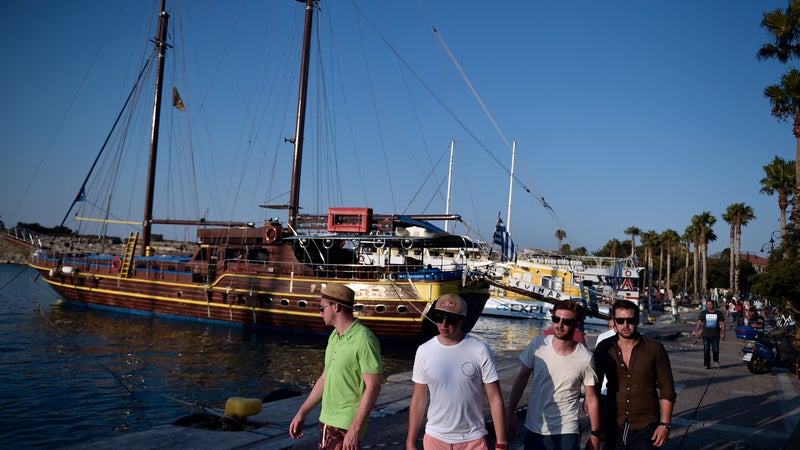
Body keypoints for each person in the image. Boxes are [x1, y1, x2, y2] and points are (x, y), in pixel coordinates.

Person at [406, 293, 507, 450]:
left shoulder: (480, 350)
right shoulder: (424, 351)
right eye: (439, 318)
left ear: (463, 321)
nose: (444, 324)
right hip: (435, 439)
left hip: (473, 440)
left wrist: (501, 442)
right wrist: (410, 441)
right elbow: (419, 398)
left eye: (451, 320)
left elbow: (495, 398)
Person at [289, 284, 383, 449]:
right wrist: (302, 412)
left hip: (345, 424)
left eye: (322, 308)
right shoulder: (334, 337)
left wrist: (354, 429)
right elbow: (325, 378)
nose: (320, 312)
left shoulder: (364, 339)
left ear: (336, 307)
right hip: (326, 420)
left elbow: (374, 386)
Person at [505, 300, 601, 450]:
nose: (559, 324)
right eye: (556, 319)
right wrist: (509, 414)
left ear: (577, 324)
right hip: (534, 426)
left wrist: (595, 435)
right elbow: (521, 380)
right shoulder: (537, 345)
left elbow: (592, 398)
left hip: (567, 429)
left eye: (566, 321)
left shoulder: (585, 357)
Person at [593, 300, 676, 450]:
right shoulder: (604, 348)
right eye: (620, 320)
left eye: (630, 320)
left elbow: (667, 387)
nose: (625, 325)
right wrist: (596, 429)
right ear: (614, 321)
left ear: (637, 320)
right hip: (613, 421)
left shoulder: (654, 348)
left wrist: (665, 424)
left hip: (646, 423)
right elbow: (594, 387)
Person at [594, 318, 618, 450]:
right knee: (603, 433)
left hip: (623, 395)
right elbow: (597, 366)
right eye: (610, 326)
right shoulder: (603, 338)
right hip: (604, 392)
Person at [694, 299, 726, 369]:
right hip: (706, 335)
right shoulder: (703, 313)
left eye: (710, 305)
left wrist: (723, 333)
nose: (709, 306)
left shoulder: (718, 313)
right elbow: (699, 322)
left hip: (715, 335)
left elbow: (722, 323)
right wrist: (696, 331)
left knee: (715, 349)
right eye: (707, 305)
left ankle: (716, 360)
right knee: (706, 350)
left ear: (713, 305)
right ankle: (706, 364)